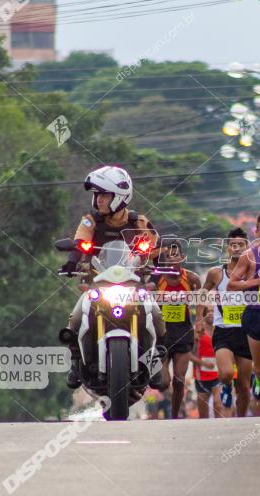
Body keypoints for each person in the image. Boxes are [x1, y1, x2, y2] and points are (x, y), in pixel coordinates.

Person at [60, 165, 164, 390]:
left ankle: (154, 358)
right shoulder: (90, 220)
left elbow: (155, 246)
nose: (99, 200)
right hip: (97, 282)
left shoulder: (139, 221)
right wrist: (70, 262)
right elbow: (79, 243)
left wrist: (160, 268)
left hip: (132, 282)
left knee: (154, 312)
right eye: (97, 195)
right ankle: (76, 362)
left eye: (104, 195)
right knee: (77, 316)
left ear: (120, 196)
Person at [199, 227, 254, 417]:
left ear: (248, 247)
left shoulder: (254, 273)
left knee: (245, 385)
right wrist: (199, 320)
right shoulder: (216, 274)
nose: (237, 248)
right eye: (233, 245)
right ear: (227, 248)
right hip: (223, 330)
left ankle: (240, 421)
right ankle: (225, 386)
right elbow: (202, 293)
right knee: (226, 373)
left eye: (241, 245)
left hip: (247, 332)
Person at [226, 212, 260, 415]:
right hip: (254, 312)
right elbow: (231, 285)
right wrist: (256, 281)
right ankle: (259, 376)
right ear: (256, 232)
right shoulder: (249, 256)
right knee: (259, 365)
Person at [154, 240, 202, 418]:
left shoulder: (191, 278)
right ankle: (154, 376)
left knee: (179, 380)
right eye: (168, 256)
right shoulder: (156, 278)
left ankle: (174, 416)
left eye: (176, 255)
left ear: (182, 257)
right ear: (164, 259)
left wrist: (199, 322)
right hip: (162, 335)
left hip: (183, 333)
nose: (172, 259)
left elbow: (200, 301)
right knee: (164, 382)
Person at [191, 309, 225, 418]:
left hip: (217, 375)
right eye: (209, 311)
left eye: (213, 311)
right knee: (203, 415)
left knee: (218, 404)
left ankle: (221, 429)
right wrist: (203, 363)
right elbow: (188, 355)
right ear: (204, 314)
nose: (211, 313)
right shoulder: (197, 331)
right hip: (201, 377)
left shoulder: (219, 330)